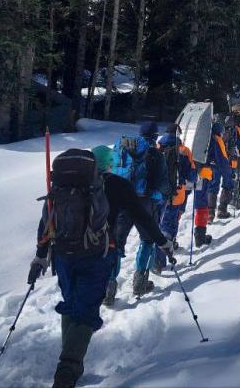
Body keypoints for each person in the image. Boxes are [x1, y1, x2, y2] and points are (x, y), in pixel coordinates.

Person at [30, 148, 172, 388]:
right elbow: (142, 216)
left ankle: (70, 358)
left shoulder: (64, 184)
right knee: (85, 310)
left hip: (63, 255)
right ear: (108, 165)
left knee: (72, 303)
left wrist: (40, 256)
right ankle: (68, 369)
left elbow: (47, 220)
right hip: (98, 255)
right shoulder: (117, 184)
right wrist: (162, 241)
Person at [111, 121, 169, 297]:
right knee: (148, 240)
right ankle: (140, 282)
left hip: (121, 200)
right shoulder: (156, 155)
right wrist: (158, 200)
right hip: (145, 202)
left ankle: (108, 287)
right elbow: (163, 185)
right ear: (155, 136)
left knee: (116, 242)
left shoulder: (123, 149)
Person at [153, 125, 196, 273]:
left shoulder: (157, 148)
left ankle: (157, 258)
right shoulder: (184, 150)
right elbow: (192, 175)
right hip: (177, 195)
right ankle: (161, 259)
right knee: (169, 226)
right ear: (179, 134)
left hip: (158, 194)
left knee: (158, 225)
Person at [192, 122, 235, 246]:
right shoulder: (216, 140)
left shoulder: (199, 137)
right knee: (201, 205)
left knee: (180, 206)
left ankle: (172, 239)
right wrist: (229, 175)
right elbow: (222, 161)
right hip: (205, 175)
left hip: (193, 173)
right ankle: (200, 235)